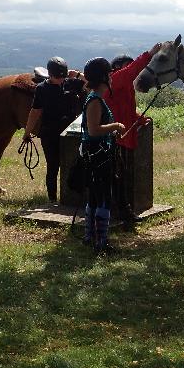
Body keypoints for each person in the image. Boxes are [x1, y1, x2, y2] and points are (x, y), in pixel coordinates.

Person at [103, 43, 163, 229]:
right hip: (111, 137)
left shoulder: (124, 84)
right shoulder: (115, 79)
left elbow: (126, 109)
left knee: (119, 176)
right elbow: (132, 71)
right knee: (116, 177)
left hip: (120, 135)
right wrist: (150, 54)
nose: (131, 71)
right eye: (126, 66)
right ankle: (122, 213)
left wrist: (139, 118)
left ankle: (124, 211)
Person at [80, 57, 126, 254]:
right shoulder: (95, 101)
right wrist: (115, 126)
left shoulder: (94, 98)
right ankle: (101, 242)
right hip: (98, 154)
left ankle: (90, 236)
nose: (112, 78)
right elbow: (94, 129)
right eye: (109, 75)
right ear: (103, 78)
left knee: (95, 197)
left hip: (95, 153)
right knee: (103, 197)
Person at [22, 56, 82, 203]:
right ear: (50, 75)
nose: (61, 80)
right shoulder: (41, 89)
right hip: (50, 134)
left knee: (72, 165)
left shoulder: (71, 83)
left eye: (63, 77)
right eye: (58, 77)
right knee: (53, 166)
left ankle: (71, 198)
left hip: (70, 133)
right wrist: (27, 132)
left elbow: (94, 83)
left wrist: (78, 75)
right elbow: (35, 112)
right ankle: (52, 199)